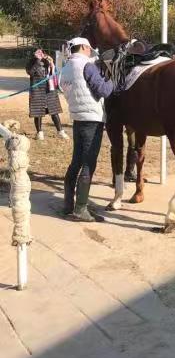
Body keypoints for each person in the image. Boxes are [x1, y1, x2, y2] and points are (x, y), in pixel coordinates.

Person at [60, 37, 114, 222]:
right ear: (83, 47)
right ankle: (81, 209)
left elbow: (66, 90)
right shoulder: (87, 65)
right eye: (89, 48)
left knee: (76, 161)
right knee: (88, 163)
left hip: (77, 118)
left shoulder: (65, 68)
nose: (91, 51)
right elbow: (104, 91)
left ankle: (68, 204)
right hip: (92, 119)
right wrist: (113, 80)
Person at [25, 49, 67, 141]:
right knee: (38, 112)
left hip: (49, 90)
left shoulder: (47, 61)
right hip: (37, 90)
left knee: (54, 111)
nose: (40, 54)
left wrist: (52, 63)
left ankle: (60, 131)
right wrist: (37, 61)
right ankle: (39, 132)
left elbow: (55, 73)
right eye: (37, 53)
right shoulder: (31, 62)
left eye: (41, 52)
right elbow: (30, 72)